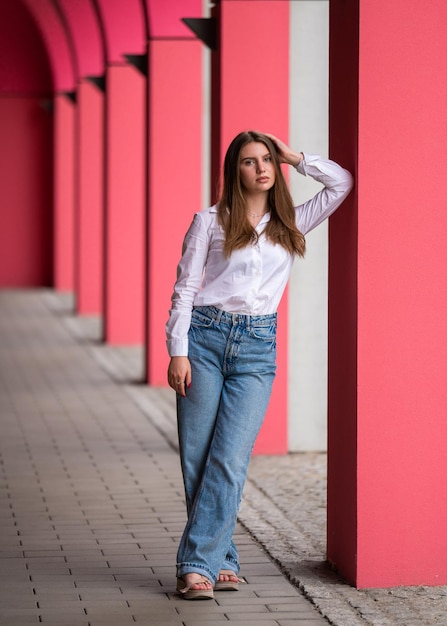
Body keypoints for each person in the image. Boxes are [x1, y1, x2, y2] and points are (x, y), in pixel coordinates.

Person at [166, 131, 353, 600]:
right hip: (204, 340)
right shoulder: (208, 221)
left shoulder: (291, 222)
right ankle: (219, 558)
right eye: (250, 162)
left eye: (268, 160)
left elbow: (341, 184)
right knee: (198, 457)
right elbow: (185, 288)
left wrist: (296, 157)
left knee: (229, 457)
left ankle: (196, 566)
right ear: (235, 171)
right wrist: (177, 350)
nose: (262, 168)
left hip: (255, 347)